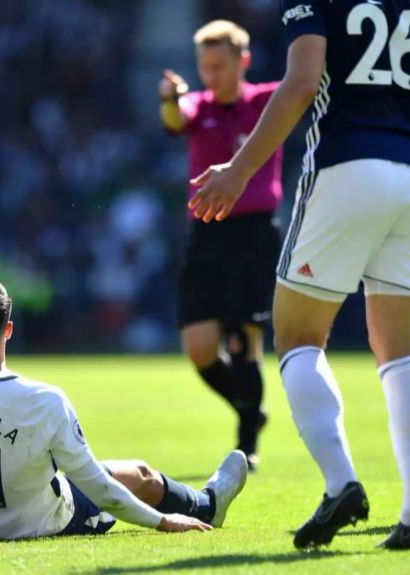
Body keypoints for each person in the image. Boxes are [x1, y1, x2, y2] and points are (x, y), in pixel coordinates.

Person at [189, 0, 410, 550]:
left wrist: (238, 169)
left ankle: (341, 482)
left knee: (297, 337)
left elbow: (301, 82)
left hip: (347, 162)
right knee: (402, 353)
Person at [0, 278, 248, 541]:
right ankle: (208, 503)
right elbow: (102, 491)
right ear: (9, 330)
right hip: (49, 524)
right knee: (136, 473)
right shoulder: (44, 400)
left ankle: (206, 500)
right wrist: (162, 522)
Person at [159, 20, 284, 470]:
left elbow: (302, 96)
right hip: (208, 234)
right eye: (204, 66)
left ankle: (247, 441)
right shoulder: (197, 105)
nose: (209, 75)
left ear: (242, 61)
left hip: (253, 231)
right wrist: (170, 97)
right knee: (199, 348)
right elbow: (176, 117)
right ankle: (251, 408)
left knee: (245, 339)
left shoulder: (268, 102)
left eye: (218, 65)